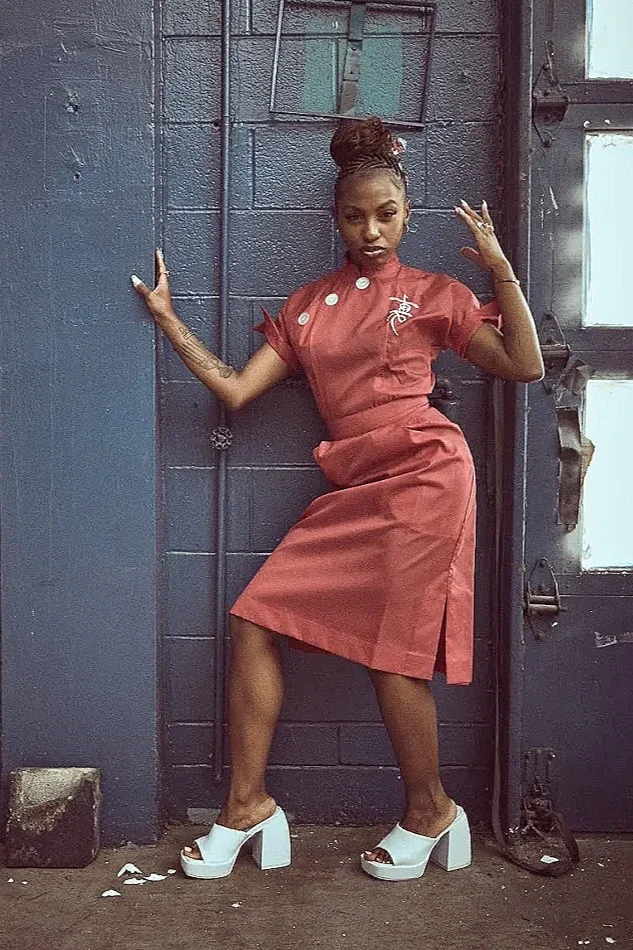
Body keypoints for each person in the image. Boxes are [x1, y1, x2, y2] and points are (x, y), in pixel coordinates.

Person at [132, 116, 544, 883]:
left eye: (385, 214)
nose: (371, 231)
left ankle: (430, 812)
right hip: (353, 487)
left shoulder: (434, 294)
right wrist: (169, 322)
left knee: (393, 657)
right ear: (336, 219)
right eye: (355, 216)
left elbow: (523, 365)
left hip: (425, 478)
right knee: (254, 620)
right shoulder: (306, 306)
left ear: (407, 213)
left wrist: (500, 271)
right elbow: (234, 389)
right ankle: (247, 806)